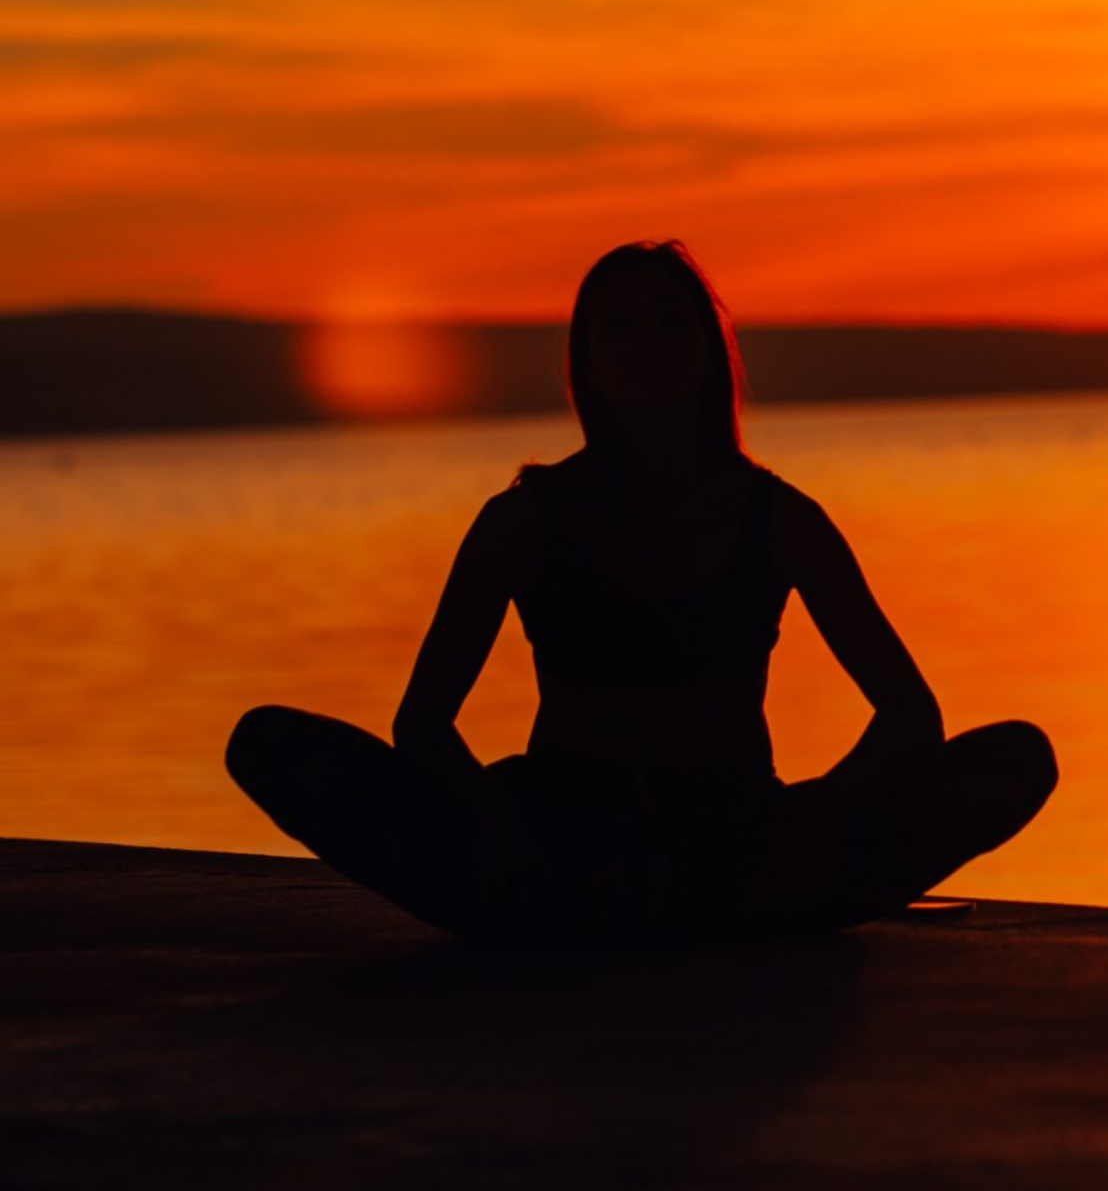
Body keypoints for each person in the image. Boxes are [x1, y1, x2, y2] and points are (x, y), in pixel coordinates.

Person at [226, 240, 1058, 939]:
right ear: (586, 362)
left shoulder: (780, 519)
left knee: (1014, 759)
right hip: (555, 837)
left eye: (670, 319)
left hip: (740, 841)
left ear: (708, 348)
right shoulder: (523, 520)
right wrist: (498, 824)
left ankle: (713, 908)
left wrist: (818, 816)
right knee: (272, 744)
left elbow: (911, 715)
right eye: (617, 326)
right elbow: (424, 724)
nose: (646, 342)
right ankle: (584, 908)